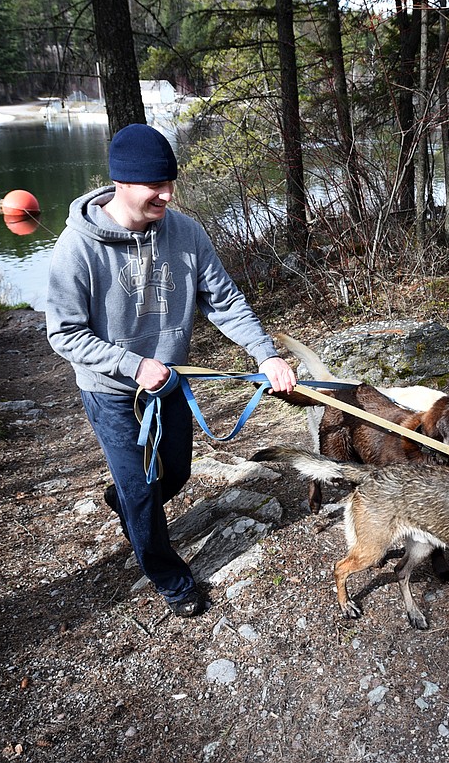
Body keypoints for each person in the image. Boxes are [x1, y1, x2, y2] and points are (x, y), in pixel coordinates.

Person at [45, 123, 296, 617]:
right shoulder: (77, 248)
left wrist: (264, 353)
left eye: (169, 183)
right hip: (111, 390)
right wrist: (131, 364)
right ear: (120, 182)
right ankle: (167, 574)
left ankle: (128, 501)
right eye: (152, 185)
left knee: (175, 472)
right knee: (142, 492)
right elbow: (63, 334)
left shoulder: (185, 232)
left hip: (170, 383)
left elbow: (222, 300)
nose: (165, 194)